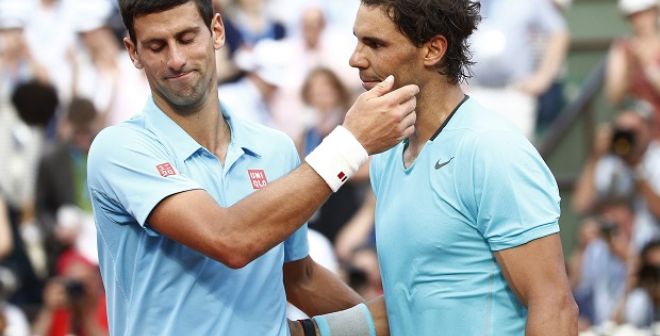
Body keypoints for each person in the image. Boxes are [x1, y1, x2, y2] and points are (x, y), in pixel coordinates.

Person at [88, 0, 418, 335]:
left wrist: (383, 325)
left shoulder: (274, 149)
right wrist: (350, 143)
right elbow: (229, 240)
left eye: (187, 39)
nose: (176, 59)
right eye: (157, 46)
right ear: (132, 51)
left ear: (217, 31)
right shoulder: (119, 148)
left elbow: (299, 277)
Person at [293, 1, 578, 335]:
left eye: (375, 43)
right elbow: (410, 304)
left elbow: (554, 308)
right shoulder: (386, 156)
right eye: (357, 40)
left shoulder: (492, 149)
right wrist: (307, 332)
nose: (356, 58)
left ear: (432, 49)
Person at [573, 102, 660, 253]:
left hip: (651, 250)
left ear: (649, 129)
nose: (627, 136)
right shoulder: (611, 161)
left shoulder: (655, 157)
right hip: (616, 251)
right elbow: (581, 205)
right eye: (621, 131)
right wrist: (595, 156)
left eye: (633, 131)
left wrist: (636, 167)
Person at [606, 0, 660, 139]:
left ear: (655, 12)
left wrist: (647, 65)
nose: (639, 20)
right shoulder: (623, 48)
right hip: (637, 136)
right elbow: (614, 97)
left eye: (644, 13)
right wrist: (630, 68)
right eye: (633, 16)